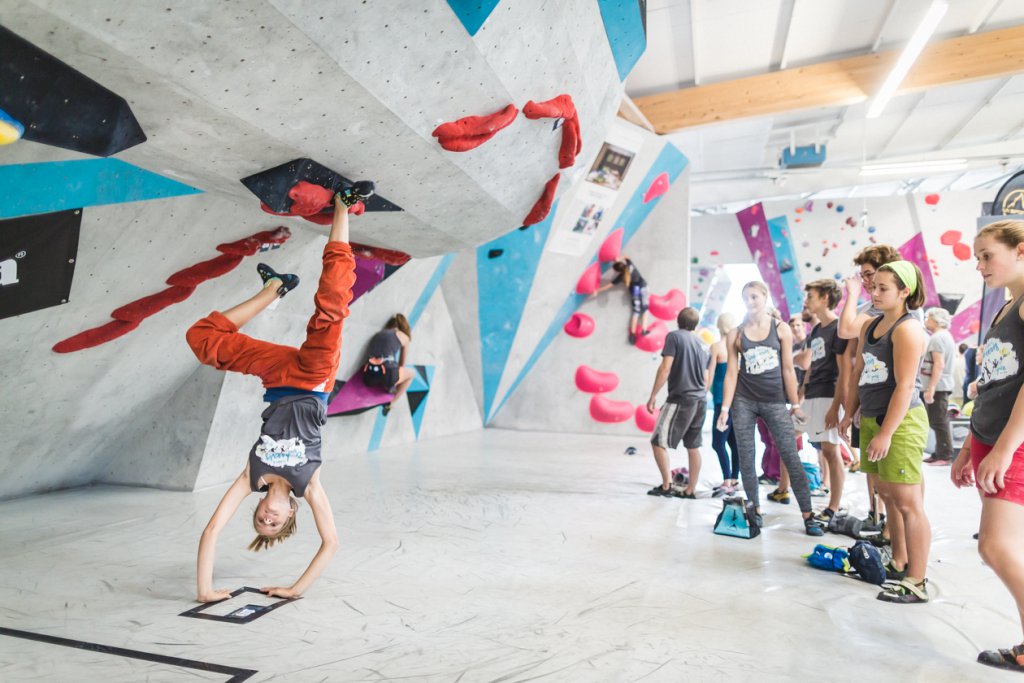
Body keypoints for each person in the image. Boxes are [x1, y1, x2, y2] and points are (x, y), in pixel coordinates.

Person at [186, 187, 369, 602]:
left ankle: (273, 289)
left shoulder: (252, 477)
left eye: (260, 521)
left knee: (202, 339)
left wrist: (203, 590)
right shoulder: (309, 484)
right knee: (332, 308)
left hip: (276, 378)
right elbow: (332, 544)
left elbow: (213, 529)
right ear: (289, 515)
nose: (266, 518)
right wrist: (293, 589)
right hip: (314, 375)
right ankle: (343, 207)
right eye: (274, 523)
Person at [950, 220, 1024, 672]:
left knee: (995, 548)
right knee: (1009, 547)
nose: (979, 266)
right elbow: (997, 382)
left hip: (1010, 445)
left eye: (986, 255)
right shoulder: (1006, 305)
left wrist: (1004, 448)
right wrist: (968, 448)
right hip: (989, 437)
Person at [840, 261, 930, 603]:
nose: (874, 293)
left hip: (901, 422)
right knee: (888, 495)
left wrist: (886, 433)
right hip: (874, 418)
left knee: (908, 502)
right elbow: (859, 372)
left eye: (883, 288)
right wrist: (849, 414)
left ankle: (917, 579)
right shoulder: (871, 327)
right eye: (872, 287)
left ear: (904, 292)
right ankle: (900, 560)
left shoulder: (908, 330)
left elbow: (906, 386)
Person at [716, 281, 824, 536]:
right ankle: (753, 509)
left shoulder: (781, 329)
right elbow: (732, 372)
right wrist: (724, 408)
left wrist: (795, 404)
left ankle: (808, 515)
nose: (751, 301)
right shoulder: (736, 334)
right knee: (747, 456)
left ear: (764, 297)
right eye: (746, 298)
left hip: (774, 400)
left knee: (790, 455)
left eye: (754, 296)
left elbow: (788, 368)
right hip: (744, 401)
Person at [800, 279, 852, 523]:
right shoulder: (817, 331)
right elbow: (811, 367)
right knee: (789, 437)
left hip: (828, 394)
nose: (806, 301)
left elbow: (844, 371)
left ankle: (833, 505)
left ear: (824, 298)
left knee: (831, 451)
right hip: (812, 394)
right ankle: (785, 488)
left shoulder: (838, 328)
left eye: (810, 296)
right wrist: (801, 395)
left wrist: (836, 406)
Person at [646, 307, 710, 498]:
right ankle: (690, 490)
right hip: (700, 400)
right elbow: (706, 378)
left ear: (678, 321)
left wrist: (653, 395)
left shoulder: (674, 337)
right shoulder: (702, 344)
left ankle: (667, 486)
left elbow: (665, 367)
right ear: (695, 324)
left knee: (658, 441)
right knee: (693, 446)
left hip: (682, 399)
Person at [920, 308, 957, 465]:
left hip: (938, 386)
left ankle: (944, 455)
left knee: (939, 421)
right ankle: (939, 453)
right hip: (941, 385)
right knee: (937, 420)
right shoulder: (943, 336)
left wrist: (931, 388)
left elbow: (939, 364)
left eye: (928, 317)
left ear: (936, 320)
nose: (926, 320)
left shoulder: (937, 338)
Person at [709, 313, 740, 490]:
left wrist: (703, 392)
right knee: (733, 442)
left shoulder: (717, 348)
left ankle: (728, 478)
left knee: (718, 442)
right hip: (737, 401)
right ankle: (734, 478)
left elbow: (711, 375)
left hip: (722, 402)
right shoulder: (737, 348)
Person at [363, 313, 414, 415]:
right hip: (389, 374)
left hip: (369, 376)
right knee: (411, 374)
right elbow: (402, 364)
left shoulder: (378, 334)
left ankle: (389, 386)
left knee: (388, 374)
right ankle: (390, 403)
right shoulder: (404, 336)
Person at [594, 256, 649, 344]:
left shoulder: (621, 277)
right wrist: (619, 258)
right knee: (645, 310)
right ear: (623, 264)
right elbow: (627, 257)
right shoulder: (630, 265)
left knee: (636, 312)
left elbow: (608, 286)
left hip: (635, 291)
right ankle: (644, 330)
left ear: (618, 271)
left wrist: (597, 290)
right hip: (642, 287)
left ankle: (632, 335)